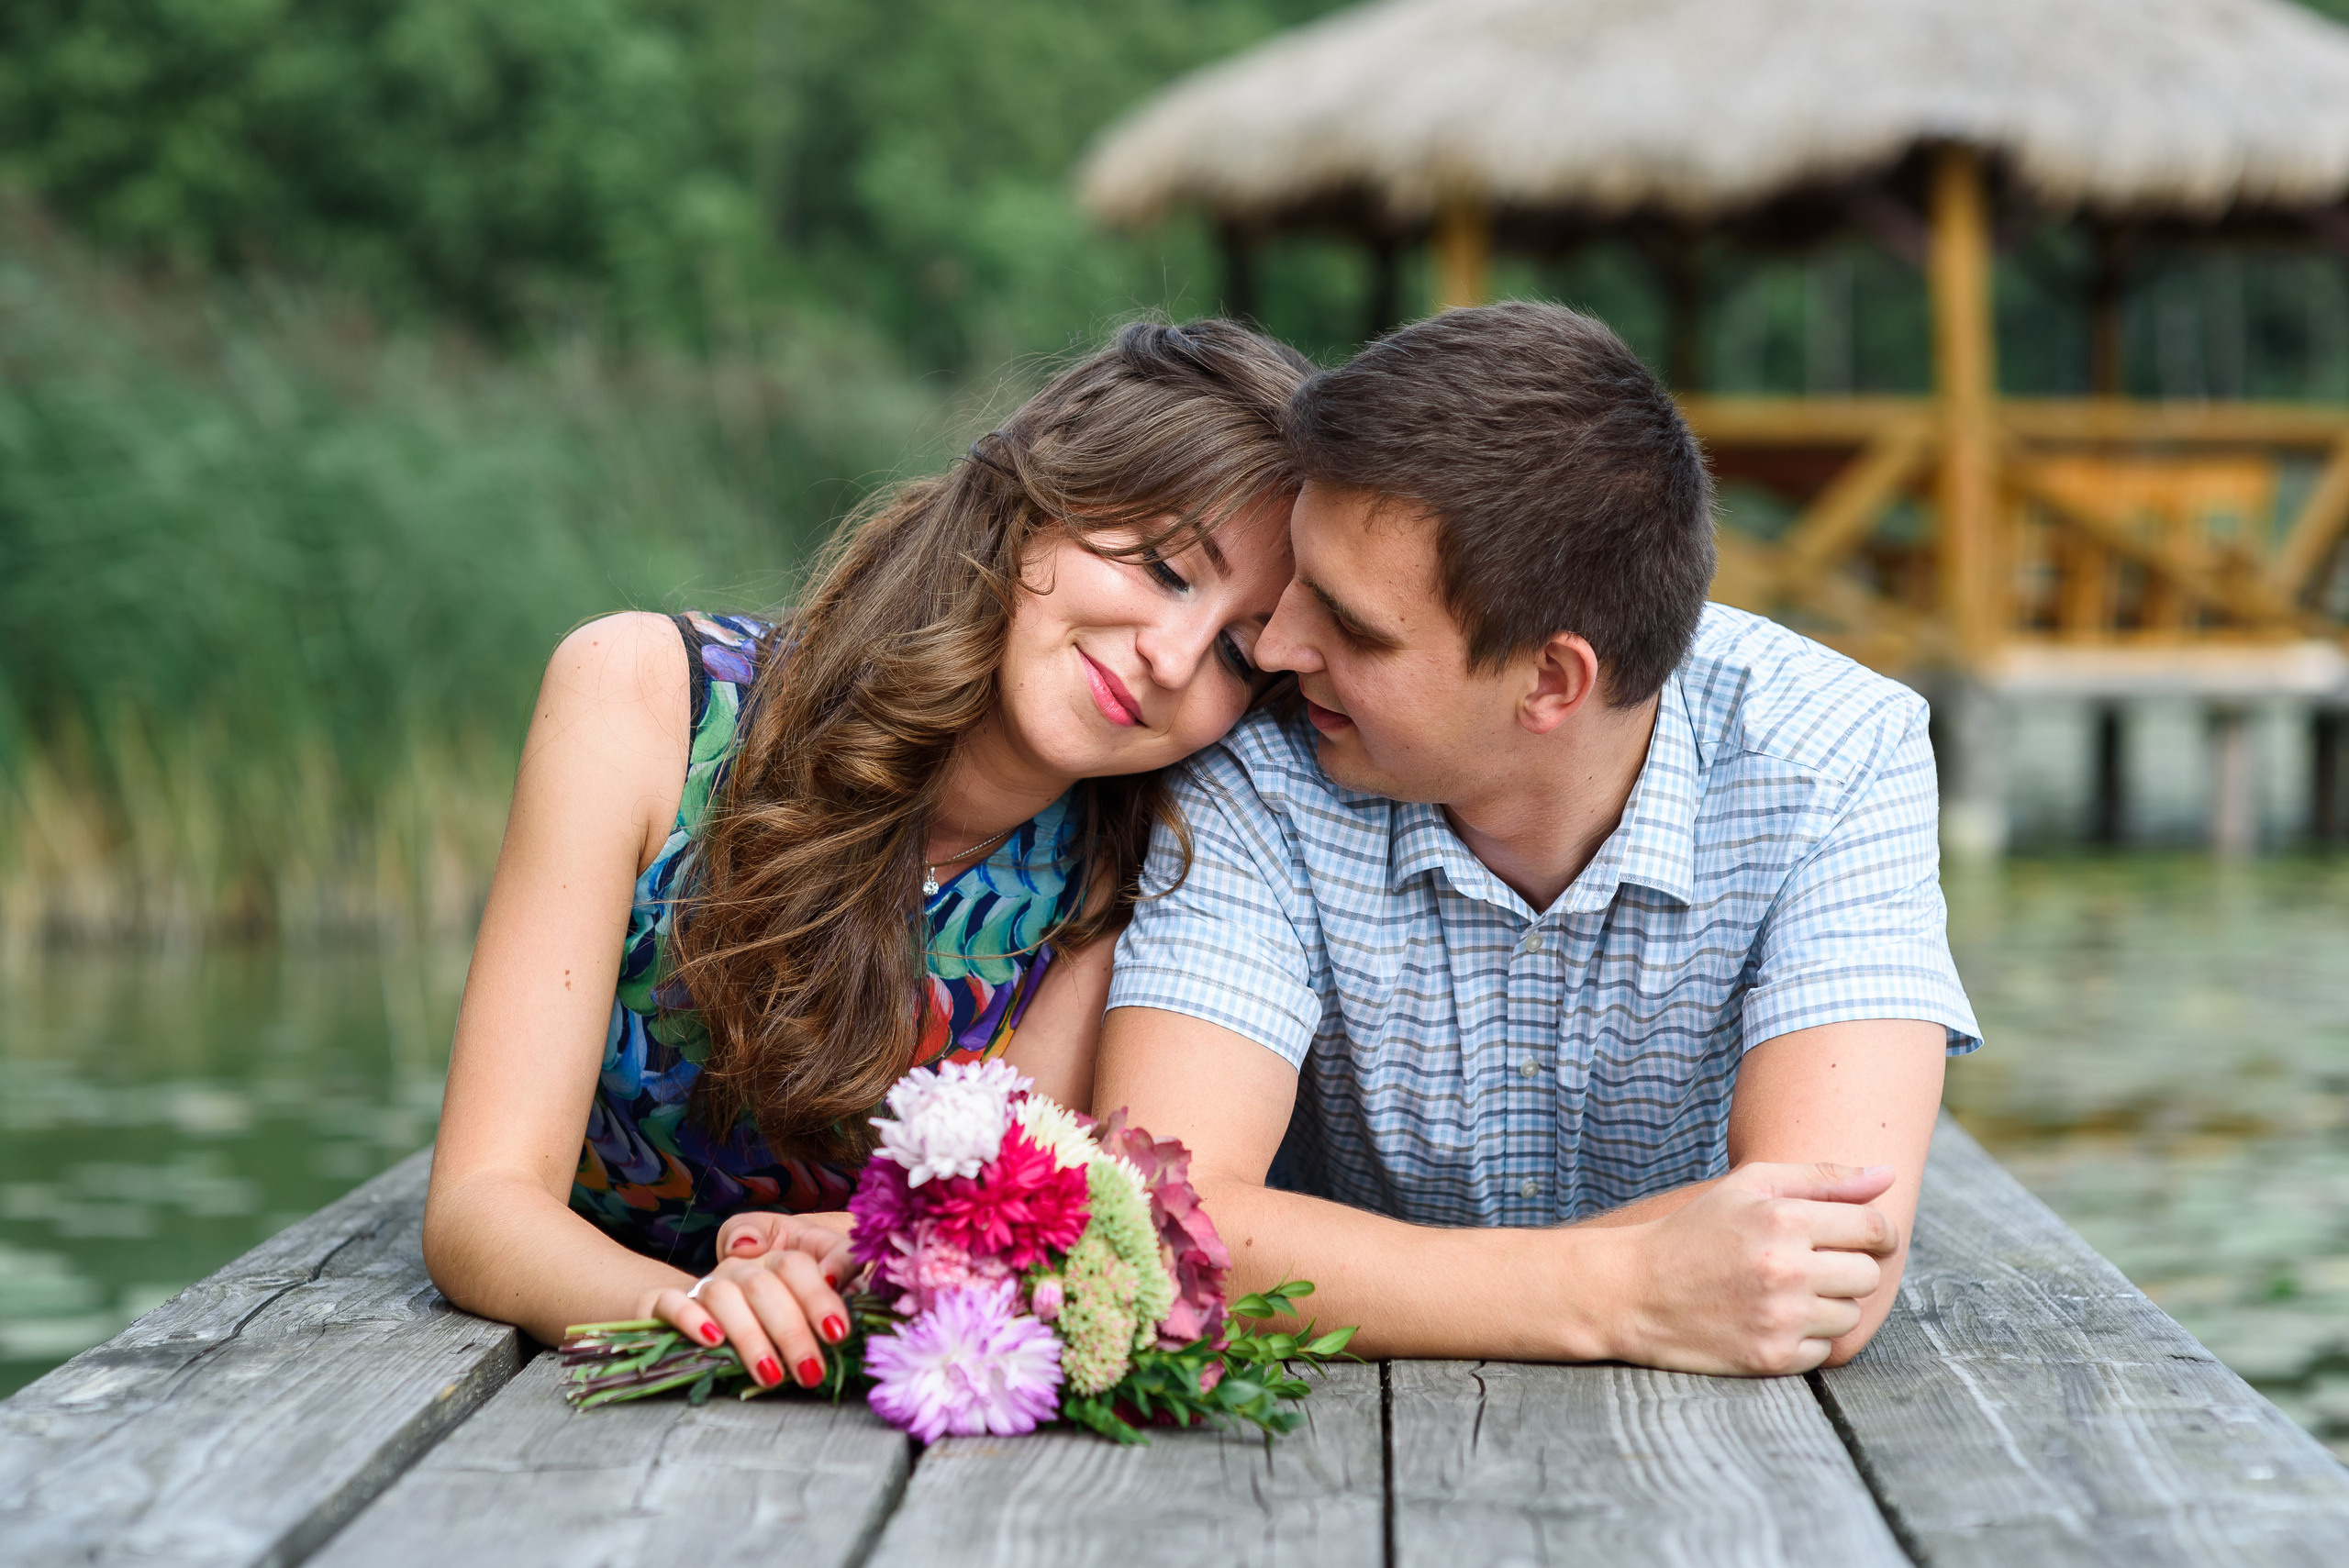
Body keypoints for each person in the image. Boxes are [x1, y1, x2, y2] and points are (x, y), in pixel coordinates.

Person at [422, 320, 1312, 1394]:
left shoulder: (1118, 882)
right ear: (1039, 496)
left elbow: (968, 1232)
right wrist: (681, 1304)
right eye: (1166, 566)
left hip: (856, 1398)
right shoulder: (645, 698)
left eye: (1233, 650)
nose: (1172, 659)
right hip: (581, 1344)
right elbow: (482, 1201)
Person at [1096, 302, 1982, 1375]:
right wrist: (1626, 1292)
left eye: (1353, 625)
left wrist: (1340, 1264)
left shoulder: (1837, 753)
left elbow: (1830, 1266)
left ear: (1551, 681)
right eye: (1296, 585)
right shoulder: (1256, 753)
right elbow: (1158, 1223)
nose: (1276, 646)